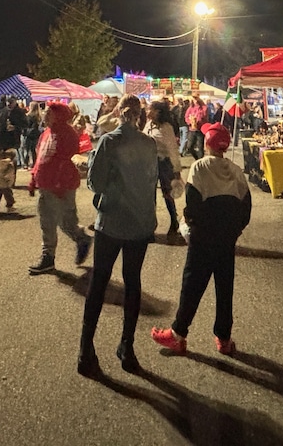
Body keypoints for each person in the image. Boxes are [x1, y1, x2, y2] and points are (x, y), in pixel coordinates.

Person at [151, 122, 251, 357]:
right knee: (224, 288)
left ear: (207, 143)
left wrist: (191, 226)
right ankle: (224, 338)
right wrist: (233, 231)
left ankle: (178, 334)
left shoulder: (199, 167)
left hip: (203, 239)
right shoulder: (236, 171)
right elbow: (246, 209)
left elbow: (193, 203)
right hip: (226, 240)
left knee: (192, 286)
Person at [78, 95, 158, 377]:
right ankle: (127, 345)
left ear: (118, 113)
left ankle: (86, 349)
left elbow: (95, 183)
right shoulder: (149, 144)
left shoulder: (109, 142)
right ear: (139, 116)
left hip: (111, 221)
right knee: (132, 282)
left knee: (99, 282)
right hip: (140, 223)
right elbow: (152, 182)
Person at [26, 102, 90, 275]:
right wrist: (34, 179)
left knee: (66, 223)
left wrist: (60, 185)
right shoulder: (46, 133)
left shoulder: (67, 134)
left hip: (61, 186)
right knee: (47, 222)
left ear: (59, 116)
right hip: (46, 186)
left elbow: (69, 161)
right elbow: (40, 159)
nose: (45, 115)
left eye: (49, 113)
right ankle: (48, 258)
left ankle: (81, 238)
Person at [145, 99, 185, 245]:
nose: (147, 111)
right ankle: (149, 228)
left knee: (168, 194)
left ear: (158, 112)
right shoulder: (148, 125)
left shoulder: (166, 128)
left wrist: (177, 170)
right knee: (149, 196)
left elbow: (173, 150)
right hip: (150, 164)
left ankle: (174, 221)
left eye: (150, 109)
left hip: (164, 163)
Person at [0, 146, 17, 212]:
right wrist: (11, 182)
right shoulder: (10, 164)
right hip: (5, 183)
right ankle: (9, 207)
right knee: (8, 195)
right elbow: (10, 174)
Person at [182, 96, 208, 160]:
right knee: (189, 146)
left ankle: (200, 160)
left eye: (196, 99)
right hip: (192, 129)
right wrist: (190, 122)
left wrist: (198, 119)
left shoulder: (203, 107)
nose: (195, 101)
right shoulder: (190, 108)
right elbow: (186, 117)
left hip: (200, 129)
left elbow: (205, 116)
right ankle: (197, 158)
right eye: (194, 99)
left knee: (200, 147)